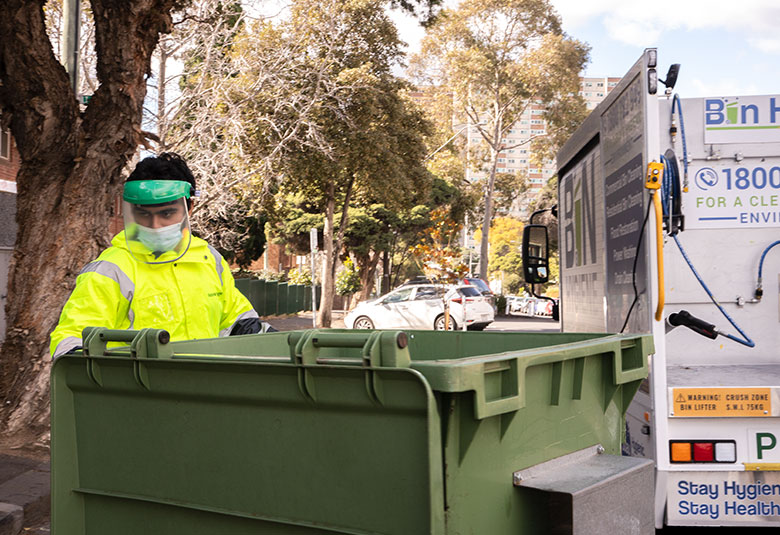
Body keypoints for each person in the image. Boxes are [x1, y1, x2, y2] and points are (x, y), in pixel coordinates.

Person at [50, 152, 272, 358]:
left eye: (167, 213)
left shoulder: (208, 259)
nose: (154, 225)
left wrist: (283, 346)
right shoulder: (110, 269)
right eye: (143, 214)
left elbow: (239, 322)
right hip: (138, 395)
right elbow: (71, 338)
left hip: (205, 391)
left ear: (190, 207)